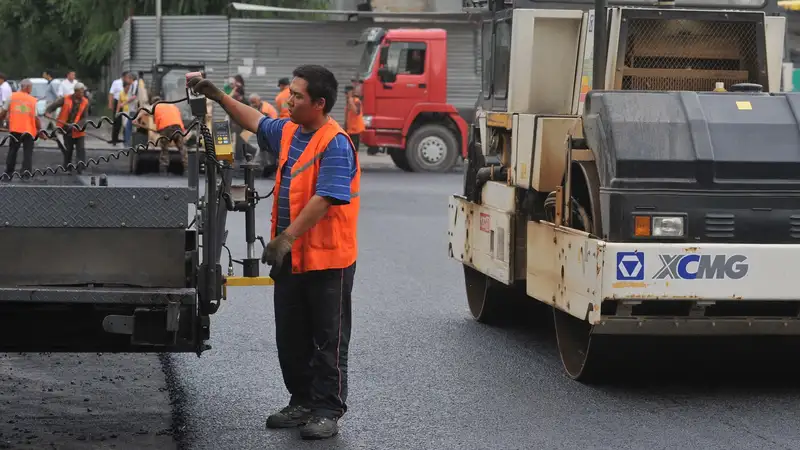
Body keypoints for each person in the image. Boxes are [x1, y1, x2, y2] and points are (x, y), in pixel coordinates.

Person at [188, 65, 359, 441]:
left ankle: (327, 408)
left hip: (328, 261)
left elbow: (326, 197)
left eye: (298, 96)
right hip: (292, 260)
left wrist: (285, 238)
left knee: (327, 339)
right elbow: (256, 120)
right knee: (291, 335)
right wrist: (219, 96)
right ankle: (300, 401)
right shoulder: (289, 131)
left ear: (320, 103)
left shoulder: (335, 142)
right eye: (291, 93)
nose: (290, 100)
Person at [46, 83, 90, 173]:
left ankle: (80, 168)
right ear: (76, 92)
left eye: (83, 92)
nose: (82, 94)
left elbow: (85, 117)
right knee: (67, 149)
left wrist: (77, 125)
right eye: (81, 92)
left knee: (81, 149)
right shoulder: (66, 99)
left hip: (78, 129)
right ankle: (67, 167)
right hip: (65, 128)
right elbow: (54, 105)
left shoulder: (85, 102)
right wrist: (48, 111)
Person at [1, 79, 41, 178]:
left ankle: (8, 173)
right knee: (28, 153)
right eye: (31, 88)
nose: (31, 90)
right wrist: (40, 129)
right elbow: (36, 118)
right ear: (27, 87)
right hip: (29, 130)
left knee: (12, 151)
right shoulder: (32, 100)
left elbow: (3, 112)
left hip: (15, 129)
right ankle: (26, 173)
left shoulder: (12, 97)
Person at [147, 96, 187, 175]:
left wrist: (159, 130)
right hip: (177, 127)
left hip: (166, 128)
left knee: (164, 148)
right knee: (182, 148)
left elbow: (156, 121)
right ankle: (187, 169)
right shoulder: (172, 105)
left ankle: (163, 169)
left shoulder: (155, 107)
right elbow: (178, 117)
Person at [344, 86, 364, 152]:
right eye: (345, 93)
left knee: (354, 150)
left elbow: (356, 112)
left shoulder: (356, 101)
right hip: (349, 130)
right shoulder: (348, 102)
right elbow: (347, 117)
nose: (345, 95)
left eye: (347, 93)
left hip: (355, 130)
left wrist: (350, 100)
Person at [108, 72, 126, 145]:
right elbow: (111, 93)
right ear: (123, 77)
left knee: (122, 122)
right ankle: (114, 139)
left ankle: (119, 137)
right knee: (116, 121)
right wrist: (110, 104)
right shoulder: (116, 82)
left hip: (124, 103)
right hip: (116, 102)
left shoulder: (127, 83)